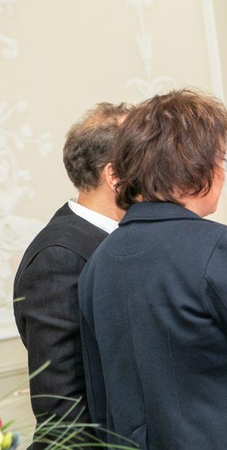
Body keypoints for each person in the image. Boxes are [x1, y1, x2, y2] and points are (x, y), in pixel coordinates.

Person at [78, 89, 227, 449]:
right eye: (220, 159)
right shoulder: (219, 247)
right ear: (196, 167)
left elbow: (100, 399)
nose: (222, 172)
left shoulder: (98, 264)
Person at [13, 102, 131, 447]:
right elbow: (62, 411)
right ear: (114, 175)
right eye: (146, 160)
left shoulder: (123, 239)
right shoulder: (59, 257)